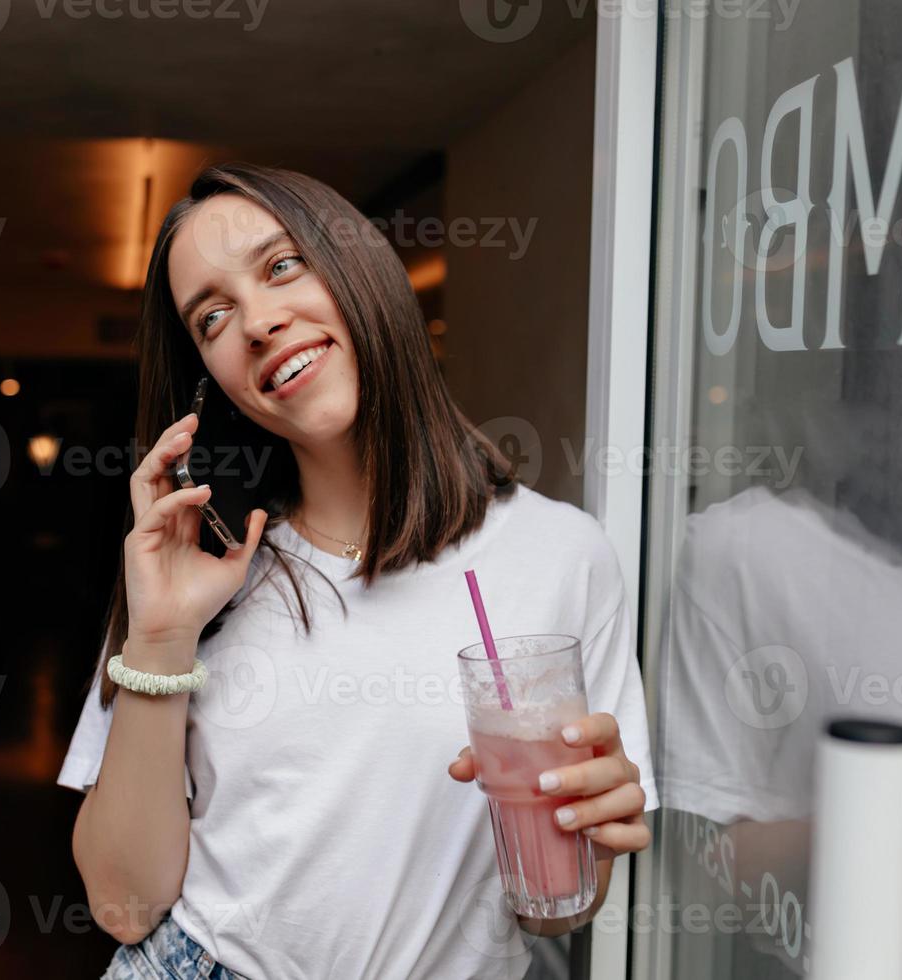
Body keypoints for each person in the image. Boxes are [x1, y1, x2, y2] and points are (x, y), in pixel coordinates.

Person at [57, 162, 659, 979]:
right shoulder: (192, 568)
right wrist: (161, 633)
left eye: (280, 267)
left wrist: (591, 839)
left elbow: (554, 909)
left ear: (358, 268)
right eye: (214, 317)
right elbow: (124, 904)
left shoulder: (561, 554)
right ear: (219, 382)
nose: (258, 323)